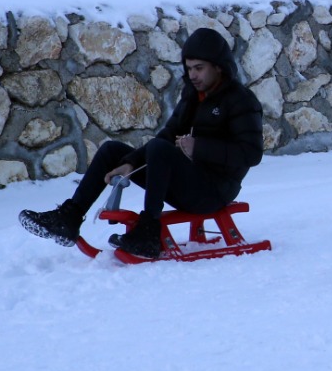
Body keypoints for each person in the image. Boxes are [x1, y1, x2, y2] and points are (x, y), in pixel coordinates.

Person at [19, 27, 264, 258]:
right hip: (191, 181)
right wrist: (131, 163)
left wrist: (198, 147)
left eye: (199, 68)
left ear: (219, 67)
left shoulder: (241, 100)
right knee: (112, 151)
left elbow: (252, 154)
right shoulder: (192, 95)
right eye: (189, 69)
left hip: (214, 191)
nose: (193, 75)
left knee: (160, 149)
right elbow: (168, 135)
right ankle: (69, 219)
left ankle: (149, 232)